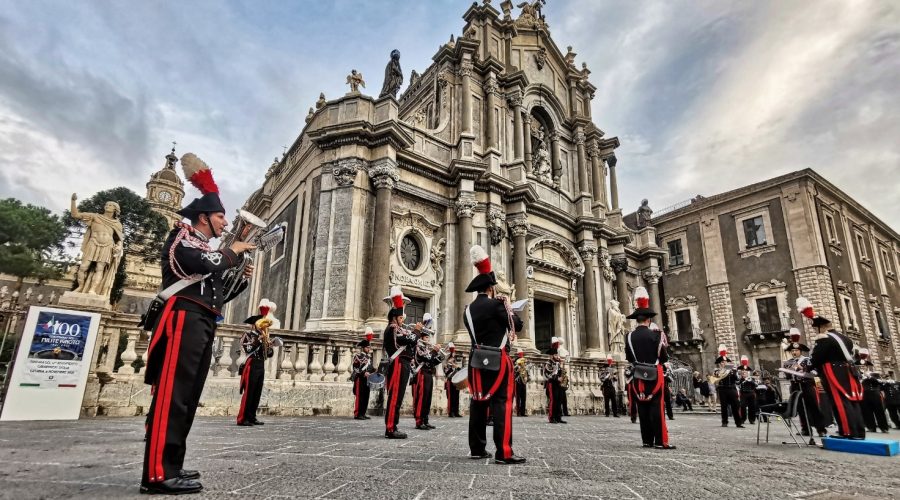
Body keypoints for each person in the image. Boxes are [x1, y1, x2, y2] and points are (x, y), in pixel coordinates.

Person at [141, 153, 255, 495]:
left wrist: (239, 276)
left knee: (187, 397)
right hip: (181, 319)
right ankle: (158, 473)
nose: (224, 222)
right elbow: (204, 262)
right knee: (173, 395)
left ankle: (172, 464)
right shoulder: (183, 238)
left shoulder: (206, 247)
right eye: (221, 216)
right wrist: (231, 253)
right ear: (203, 216)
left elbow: (217, 295)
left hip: (200, 321)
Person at [462, 245, 525, 464]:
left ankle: (477, 448)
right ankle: (504, 451)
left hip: (476, 361)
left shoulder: (467, 311)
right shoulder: (497, 305)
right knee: (502, 403)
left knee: (478, 402)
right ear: (491, 288)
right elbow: (517, 325)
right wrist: (508, 307)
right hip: (499, 361)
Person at [804, 297, 865, 439]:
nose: (814, 331)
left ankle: (847, 431)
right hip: (846, 371)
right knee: (851, 401)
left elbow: (816, 358)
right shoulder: (845, 338)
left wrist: (807, 367)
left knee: (839, 401)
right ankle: (859, 431)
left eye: (815, 328)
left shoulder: (824, 338)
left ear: (821, 327)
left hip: (832, 372)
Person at [624, 286, 675, 449]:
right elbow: (663, 357)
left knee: (643, 407)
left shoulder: (629, 336)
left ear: (637, 319)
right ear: (648, 320)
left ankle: (647, 440)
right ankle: (660, 441)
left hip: (638, 376)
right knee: (656, 408)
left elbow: (629, 358)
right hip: (655, 376)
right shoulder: (657, 334)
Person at [382, 286, 420, 439]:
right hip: (398, 364)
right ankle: (390, 428)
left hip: (402, 364)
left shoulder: (397, 329)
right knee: (395, 396)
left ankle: (393, 426)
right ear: (394, 318)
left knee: (398, 396)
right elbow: (409, 339)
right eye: (400, 318)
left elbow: (411, 343)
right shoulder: (392, 328)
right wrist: (416, 331)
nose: (402, 321)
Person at [782, 329, 826, 437]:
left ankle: (821, 429)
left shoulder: (807, 360)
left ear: (800, 351)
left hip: (807, 385)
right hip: (795, 386)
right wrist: (787, 371)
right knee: (800, 408)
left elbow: (815, 373)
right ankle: (805, 428)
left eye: (796, 350)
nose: (794, 352)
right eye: (792, 351)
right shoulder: (788, 362)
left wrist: (802, 368)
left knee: (814, 406)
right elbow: (787, 376)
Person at [236, 310, 275, 426]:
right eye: (260, 323)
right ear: (254, 325)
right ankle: (243, 418)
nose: (262, 326)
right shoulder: (248, 335)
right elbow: (246, 349)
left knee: (257, 391)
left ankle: (252, 416)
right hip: (251, 363)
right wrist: (257, 341)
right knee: (249, 391)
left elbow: (268, 355)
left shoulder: (264, 335)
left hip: (260, 364)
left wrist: (269, 346)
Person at [412, 329, 442, 430]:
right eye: (426, 337)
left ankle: (425, 420)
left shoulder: (427, 349)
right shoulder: (418, 347)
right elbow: (426, 358)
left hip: (429, 374)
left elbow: (433, 361)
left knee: (428, 399)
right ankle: (419, 421)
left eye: (428, 337)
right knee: (422, 398)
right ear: (421, 338)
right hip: (422, 374)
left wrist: (440, 355)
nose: (428, 340)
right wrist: (434, 351)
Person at [857, 354, 890, 433]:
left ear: (867, 366)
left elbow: (879, 382)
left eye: (864, 366)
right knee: (867, 412)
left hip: (874, 394)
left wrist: (869, 377)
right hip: (864, 396)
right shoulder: (858, 375)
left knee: (879, 411)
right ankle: (871, 427)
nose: (862, 368)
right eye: (861, 366)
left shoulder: (874, 374)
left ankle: (883, 427)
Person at [713, 346, 743, 428]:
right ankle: (724, 422)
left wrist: (734, 372)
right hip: (722, 389)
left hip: (732, 388)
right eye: (722, 362)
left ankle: (738, 423)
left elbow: (737, 379)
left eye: (725, 362)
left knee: (736, 405)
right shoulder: (717, 371)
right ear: (720, 363)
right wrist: (720, 373)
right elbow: (715, 379)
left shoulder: (732, 370)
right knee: (724, 406)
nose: (724, 363)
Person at [351, 328, 376, 420]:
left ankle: (363, 413)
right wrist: (363, 373)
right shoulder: (358, 356)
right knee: (360, 397)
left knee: (366, 396)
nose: (368, 349)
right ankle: (357, 414)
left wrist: (376, 370)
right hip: (360, 379)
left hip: (367, 380)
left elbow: (370, 368)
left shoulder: (368, 358)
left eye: (369, 347)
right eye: (367, 347)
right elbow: (355, 368)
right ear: (363, 348)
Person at [543, 349, 565, 424]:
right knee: (553, 400)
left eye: (557, 355)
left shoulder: (558, 363)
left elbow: (560, 373)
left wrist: (561, 368)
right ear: (551, 356)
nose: (557, 356)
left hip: (559, 383)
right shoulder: (548, 363)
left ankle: (558, 417)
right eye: (555, 355)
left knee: (559, 400)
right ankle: (551, 417)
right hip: (552, 383)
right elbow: (547, 374)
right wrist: (557, 378)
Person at [443, 348, 463, 418]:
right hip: (450, 381)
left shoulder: (455, 364)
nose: (454, 356)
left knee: (456, 396)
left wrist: (457, 367)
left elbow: (460, 372)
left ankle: (456, 411)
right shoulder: (446, 364)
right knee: (451, 397)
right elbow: (447, 373)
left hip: (456, 381)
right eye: (452, 354)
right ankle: (450, 412)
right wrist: (452, 367)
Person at [514, 348, 529, 417]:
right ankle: (518, 412)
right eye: (520, 354)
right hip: (518, 381)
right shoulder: (515, 361)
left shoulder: (524, 361)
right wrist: (518, 367)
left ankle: (523, 412)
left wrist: (527, 377)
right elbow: (513, 371)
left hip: (523, 381)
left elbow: (526, 371)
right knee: (518, 397)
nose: (521, 355)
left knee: (523, 397)